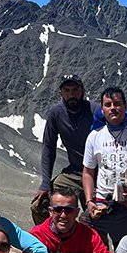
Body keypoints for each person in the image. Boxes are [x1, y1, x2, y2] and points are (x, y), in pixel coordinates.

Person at [82, 87, 127, 250]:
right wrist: (89, 201)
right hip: (102, 203)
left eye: (117, 103)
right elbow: (88, 172)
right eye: (108, 104)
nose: (113, 108)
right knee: (84, 232)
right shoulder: (94, 136)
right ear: (102, 109)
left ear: (125, 107)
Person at [30, 74, 99, 225]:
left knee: (93, 220)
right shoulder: (56, 113)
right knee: (40, 206)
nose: (71, 94)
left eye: (75, 89)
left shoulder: (95, 111)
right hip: (73, 172)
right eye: (67, 90)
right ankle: (55, 243)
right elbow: (49, 147)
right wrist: (46, 183)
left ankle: (96, 247)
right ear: (61, 93)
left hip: (97, 174)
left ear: (82, 91)